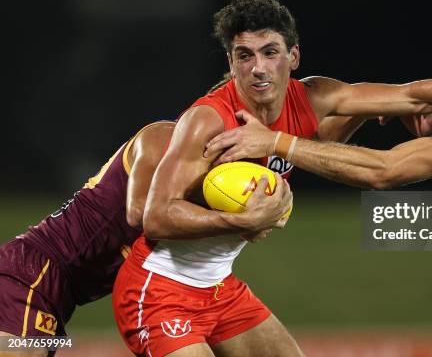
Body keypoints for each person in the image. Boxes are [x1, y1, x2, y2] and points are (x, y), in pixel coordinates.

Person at [111, 0, 432, 357]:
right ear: (230, 63)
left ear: (293, 57)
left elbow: (411, 94)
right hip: (160, 290)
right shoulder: (208, 120)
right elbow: (154, 218)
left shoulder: (313, 96)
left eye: (270, 53)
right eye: (243, 56)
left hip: (219, 289)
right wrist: (240, 221)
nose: (258, 69)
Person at [0, 120, 289, 357]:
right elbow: (140, 215)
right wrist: (239, 221)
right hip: (33, 273)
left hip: (59, 294)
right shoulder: (162, 138)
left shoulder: (212, 176)